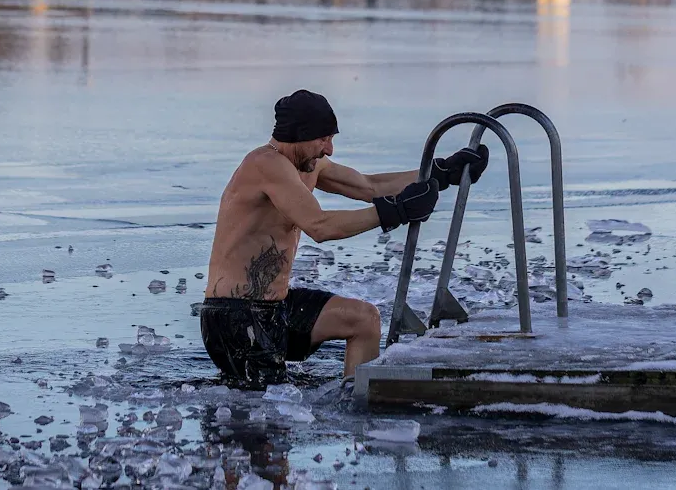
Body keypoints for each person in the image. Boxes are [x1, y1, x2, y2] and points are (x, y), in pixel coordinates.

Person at [200, 89, 489, 387]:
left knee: (363, 319)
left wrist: (441, 172)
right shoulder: (265, 164)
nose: (329, 150)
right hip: (234, 317)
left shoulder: (309, 165)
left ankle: (357, 403)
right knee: (273, 415)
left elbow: (369, 186)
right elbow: (320, 225)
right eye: (323, 139)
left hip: (278, 307)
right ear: (300, 134)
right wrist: (396, 212)